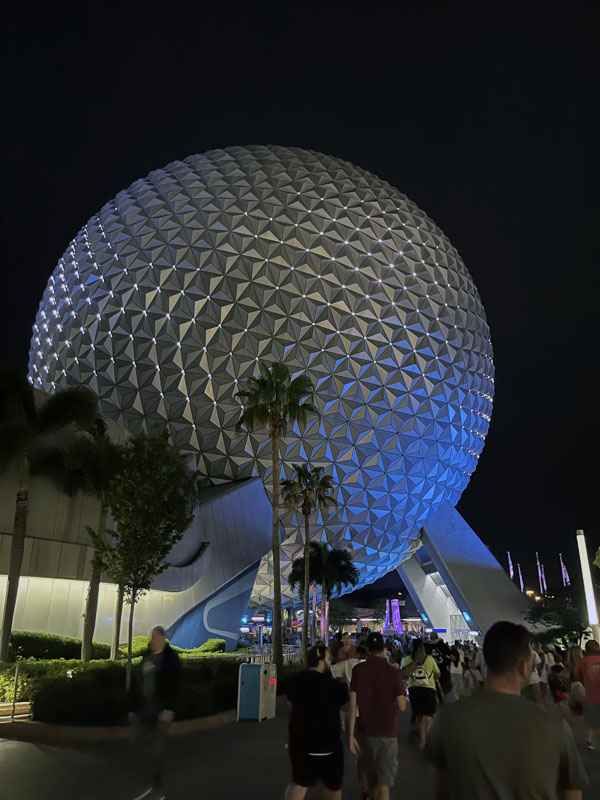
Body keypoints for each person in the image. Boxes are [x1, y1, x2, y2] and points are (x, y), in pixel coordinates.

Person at [425, 621, 588, 800]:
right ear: (523, 666)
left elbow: (442, 786)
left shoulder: (449, 718)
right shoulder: (554, 725)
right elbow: (572, 790)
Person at [348, 632, 408, 800]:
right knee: (384, 783)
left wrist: (350, 735)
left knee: (372, 783)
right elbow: (402, 706)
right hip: (387, 731)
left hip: (365, 731)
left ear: (367, 649)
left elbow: (353, 705)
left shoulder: (358, 670)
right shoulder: (392, 671)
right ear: (383, 649)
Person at [285, 644, 349, 800]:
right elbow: (345, 702)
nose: (331, 662)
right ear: (321, 661)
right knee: (333, 786)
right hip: (329, 745)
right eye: (328, 659)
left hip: (301, 743)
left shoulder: (296, 679)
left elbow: (289, 702)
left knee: (299, 783)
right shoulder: (333, 685)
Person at [131, 625, 181, 800]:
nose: (151, 639)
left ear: (162, 638)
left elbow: (175, 685)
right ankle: (150, 781)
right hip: (146, 707)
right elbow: (139, 678)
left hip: (163, 709)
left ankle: (157, 787)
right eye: (151, 636)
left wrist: (169, 708)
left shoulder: (170, 658)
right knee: (139, 739)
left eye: (154, 636)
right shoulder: (148, 656)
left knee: (159, 746)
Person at [403, 638, 440, 747]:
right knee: (429, 715)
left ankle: (422, 740)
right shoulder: (430, 659)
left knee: (419, 716)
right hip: (429, 689)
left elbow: (404, 675)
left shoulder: (407, 659)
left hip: (414, 690)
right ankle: (427, 738)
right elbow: (438, 674)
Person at [574, 639, 600, 749]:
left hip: (590, 696)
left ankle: (590, 741)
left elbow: (576, 674)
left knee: (592, 721)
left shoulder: (583, 661)